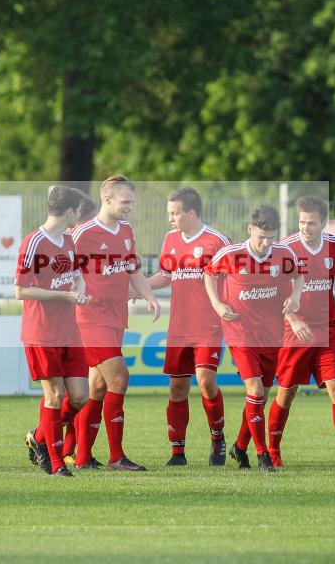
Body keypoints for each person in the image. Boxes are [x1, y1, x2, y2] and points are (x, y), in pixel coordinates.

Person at [271, 196, 335, 470]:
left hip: (327, 330)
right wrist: (292, 318)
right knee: (286, 392)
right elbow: (275, 292)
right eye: (302, 222)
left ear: (323, 223)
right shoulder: (287, 248)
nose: (306, 227)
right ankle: (272, 451)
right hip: (295, 332)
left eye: (312, 222)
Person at [71, 175, 161, 471]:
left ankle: (81, 457)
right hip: (90, 319)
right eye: (125, 202)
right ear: (107, 200)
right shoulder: (83, 234)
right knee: (119, 378)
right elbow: (63, 270)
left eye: (132, 202)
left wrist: (148, 296)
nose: (130, 207)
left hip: (115, 317)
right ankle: (116, 456)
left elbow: (132, 268)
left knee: (97, 387)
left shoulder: (126, 229)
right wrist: (74, 293)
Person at [204, 205, 303, 472]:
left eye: (271, 237)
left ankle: (239, 446)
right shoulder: (232, 254)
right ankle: (263, 456)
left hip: (271, 336)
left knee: (260, 397)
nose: (265, 242)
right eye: (261, 236)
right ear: (250, 229)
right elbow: (209, 274)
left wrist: (295, 297)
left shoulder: (284, 254)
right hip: (241, 333)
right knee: (256, 391)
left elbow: (299, 276)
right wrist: (216, 304)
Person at [143, 187, 230, 466]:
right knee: (177, 388)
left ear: (191, 212)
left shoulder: (217, 241)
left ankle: (217, 437)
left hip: (209, 327)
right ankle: (177, 453)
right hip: (179, 328)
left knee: (205, 382)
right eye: (169, 212)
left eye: (174, 213)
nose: (170, 218)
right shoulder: (170, 239)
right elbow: (165, 276)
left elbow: (234, 280)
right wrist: (136, 288)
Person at [17, 185, 91, 477]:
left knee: (79, 396)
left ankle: (39, 436)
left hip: (69, 331)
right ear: (70, 211)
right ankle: (56, 461)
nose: (79, 217)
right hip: (42, 332)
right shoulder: (33, 242)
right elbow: (21, 290)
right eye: (79, 211)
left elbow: (77, 276)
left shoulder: (69, 241)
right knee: (55, 395)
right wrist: (63, 296)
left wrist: (80, 292)